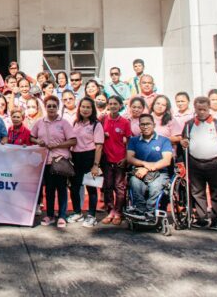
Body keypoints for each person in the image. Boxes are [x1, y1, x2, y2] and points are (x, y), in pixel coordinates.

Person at [180, 96, 217, 231]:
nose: (202, 112)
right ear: (195, 109)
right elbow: (184, 139)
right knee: (197, 192)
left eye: (204, 109)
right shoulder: (189, 124)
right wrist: (183, 142)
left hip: (214, 162)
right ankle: (202, 218)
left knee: (216, 192)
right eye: (199, 109)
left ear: (209, 108)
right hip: (195, 162)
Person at [32, 96, 76, 228]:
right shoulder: (39, 122)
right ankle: (50, 215)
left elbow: (73, 140)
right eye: (49, 106)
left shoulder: (64, 123)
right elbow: (31, 137)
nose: (51, 108)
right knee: (49, 190)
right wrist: (37, 141)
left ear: (58, 107)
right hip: (46, 161)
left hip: (60, 160)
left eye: (54, 106)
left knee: (62, 189)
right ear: (45, 107)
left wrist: (57, 146)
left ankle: (62, 215)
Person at [125, 114, 173, 220]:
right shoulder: (134, 140)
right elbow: (130, 158)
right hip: (139, 171)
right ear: (139, 126)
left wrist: (147, 168)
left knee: (155, 186)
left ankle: (151, 212)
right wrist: (144, 164)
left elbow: (166, 160)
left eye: (148, 124)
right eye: (142, 124)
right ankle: (140, 211)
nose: (145, 126)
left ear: (154, 125)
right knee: (135, 183)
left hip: (160, 172)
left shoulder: (164, 140)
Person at [68, 97, 104, 228]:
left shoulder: (96, 124)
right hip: (75, 157)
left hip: (90, 157)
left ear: (92, 109)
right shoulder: (75, 122)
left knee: (91, 187)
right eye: (83, 106)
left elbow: (99, 146)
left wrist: (96, 165)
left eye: (88, 107)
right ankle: (77, 212)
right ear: (79, 108)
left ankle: (91, 215)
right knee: (75, 187)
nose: (85, 109)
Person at [101, 95, 130, 225]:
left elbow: (128, 142)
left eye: (115, 104)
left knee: (119, 187)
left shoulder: (125, 122)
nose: (112, 106)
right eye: (110, 103)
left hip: (120, 159)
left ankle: (119, 212)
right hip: (106, 158)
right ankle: (110, 211)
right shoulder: (102, 120)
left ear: (120, 106)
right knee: (107, 186)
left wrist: (126, 158)